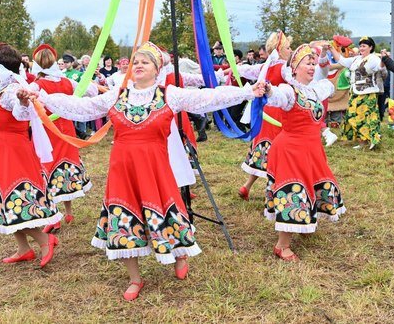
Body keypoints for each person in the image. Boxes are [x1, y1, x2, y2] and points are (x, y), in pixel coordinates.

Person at [39, 41, 265, 300]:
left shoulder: (169, 94)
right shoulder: (117, 95)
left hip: (156, 169)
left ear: (157, 69)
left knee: (169, 213)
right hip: (123, 170)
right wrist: (42, 97)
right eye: (135, 62)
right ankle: (135, 278)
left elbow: (206, 98)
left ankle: (180, 256)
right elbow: (82, 107)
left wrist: (247, 93)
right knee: (124, 217)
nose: (138, 65)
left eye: (145, 62)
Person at [0, 42, 60, 266]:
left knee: (17, 199)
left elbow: (20, 112)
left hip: (12, 151)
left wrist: (23, 102)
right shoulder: (1, 89)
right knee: (6, 199)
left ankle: (45, 240)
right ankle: (24, 248)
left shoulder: (13, 89)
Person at [263, 43, 345, 261]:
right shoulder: (290, 91)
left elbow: (329, 82)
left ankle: (304, 224)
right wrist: (269, 89)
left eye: (312, 63)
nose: (311, 67)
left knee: (312, 187)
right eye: (307, 64)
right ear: (295, 68)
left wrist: (327, 55)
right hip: (290, 150)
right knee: (292, 193)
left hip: (311, 149)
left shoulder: (315, 89)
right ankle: (282, 245)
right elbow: (277, 96)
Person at [32, 44, 95, 233]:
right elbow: (91, 91)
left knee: (49, 169)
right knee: (65, 167)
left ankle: (55, 217)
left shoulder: (37, 85)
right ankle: (68, 212)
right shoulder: (67, 81)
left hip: (47, 131)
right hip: (66, 130)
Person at [237, 31, 292, 201]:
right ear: (280, 49)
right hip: (278, 112)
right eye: (288, 48)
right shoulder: (284, 68)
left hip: (264, 111)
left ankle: (246, 186)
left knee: (263, 148)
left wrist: (232, 68)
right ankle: (273, 193)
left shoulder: (265, 66)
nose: (291, 51)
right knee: (278, 152)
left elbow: (246, 69)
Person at [329, 37, 382, 150]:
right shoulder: (356, 59)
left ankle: (372, 140)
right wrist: (331, 48)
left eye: (364, 46)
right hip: (355, 92)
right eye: (360, 46)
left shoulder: (374, 59)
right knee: (352, 116)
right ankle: (362, 141)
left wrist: (384, 60)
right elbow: (341, 60)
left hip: (368, 93)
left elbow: (380, 67)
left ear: (371, 47)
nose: (361, 48)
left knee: (367, 118)